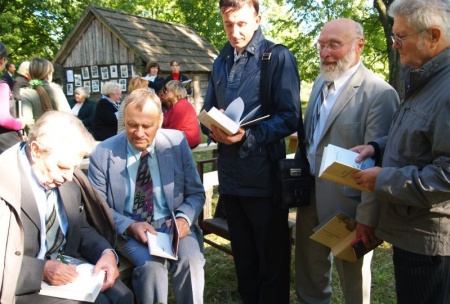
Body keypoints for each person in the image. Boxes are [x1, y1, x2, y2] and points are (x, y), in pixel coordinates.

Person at [293, 18, 400, 304]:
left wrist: (367, 217)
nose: (325, 52)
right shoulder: (319, 82)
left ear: (359, 45)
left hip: (350, 206)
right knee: (309, 274)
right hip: (309, 197)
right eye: (321, 45)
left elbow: (382, 160)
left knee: (354, 283)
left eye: (334, 45)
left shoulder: (379, 93)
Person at [350, 0, 450, 303]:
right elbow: (415, 137)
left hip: (430, 241)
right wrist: (376, 146)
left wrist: (384, 180)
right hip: (411, 231)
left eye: (401, 37)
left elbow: (446, 175)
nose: (394, 45)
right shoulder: (425, 79)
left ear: (433, 35)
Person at [201, 0, 300, 302]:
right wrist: (211, 126)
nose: (235, 31)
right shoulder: (221, 60)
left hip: (264, 180)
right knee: (244, 259)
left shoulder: (277, 57)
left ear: (257, 19)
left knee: (271, 262)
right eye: (228, 24)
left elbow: (290, 117)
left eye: (242, 23)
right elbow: (208, 109)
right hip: (231, 179)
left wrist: (247, 137)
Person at [0, 111, 133, 304]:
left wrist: (106, 253)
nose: (69, 177)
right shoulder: (5, 181)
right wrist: (41, 270)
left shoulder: (64, 177)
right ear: (36, 151)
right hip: (21, 282)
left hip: (70, 267)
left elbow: (80, 226)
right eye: (63, 167)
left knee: (123, 296)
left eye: (74, 167)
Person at [89, 89, 206, 304]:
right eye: (132, 125)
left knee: (192, 260)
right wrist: (130, 226)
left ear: (160, 121)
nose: (139, 133)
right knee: (152, 267)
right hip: (129, 228)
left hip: (172, 224)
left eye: (147, 126)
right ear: (123, 119)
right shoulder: (103, 153)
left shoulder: (176, 142)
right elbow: (98, 207)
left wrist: (183, 218)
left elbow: (196, 193)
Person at [20, 58, 71, 132]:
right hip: (59, 137)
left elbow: (28, 122)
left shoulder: (27, 95)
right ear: (48, 75)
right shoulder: (56, 91)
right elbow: (68, 116)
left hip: (38, 140)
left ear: (30, 75)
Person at [161, 80, 201, 148]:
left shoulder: (181, 105)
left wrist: (160, 133)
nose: (165, 92)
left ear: (175, 91)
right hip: (180, 137)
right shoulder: (172, 105)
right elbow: (165, 123)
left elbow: (173, 130)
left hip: (188, 139)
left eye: (168, 90)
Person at [0, 42, 24, 154]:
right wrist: (19, 124)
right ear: (2, 61)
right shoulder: (2, 86)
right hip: (5, 142)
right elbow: (3, 118)